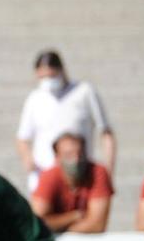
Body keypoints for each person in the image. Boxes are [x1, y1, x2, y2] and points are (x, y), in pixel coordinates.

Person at [15, 50, 114, 192]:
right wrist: (28, 159)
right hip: (45, 174)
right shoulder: (35, 98)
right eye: (43, 77)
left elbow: (106, 132)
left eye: (51, 75)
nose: (48, 81)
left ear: (61, 70)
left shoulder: (84, 91)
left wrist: (108, 170)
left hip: (79, 173)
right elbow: (22, 137)